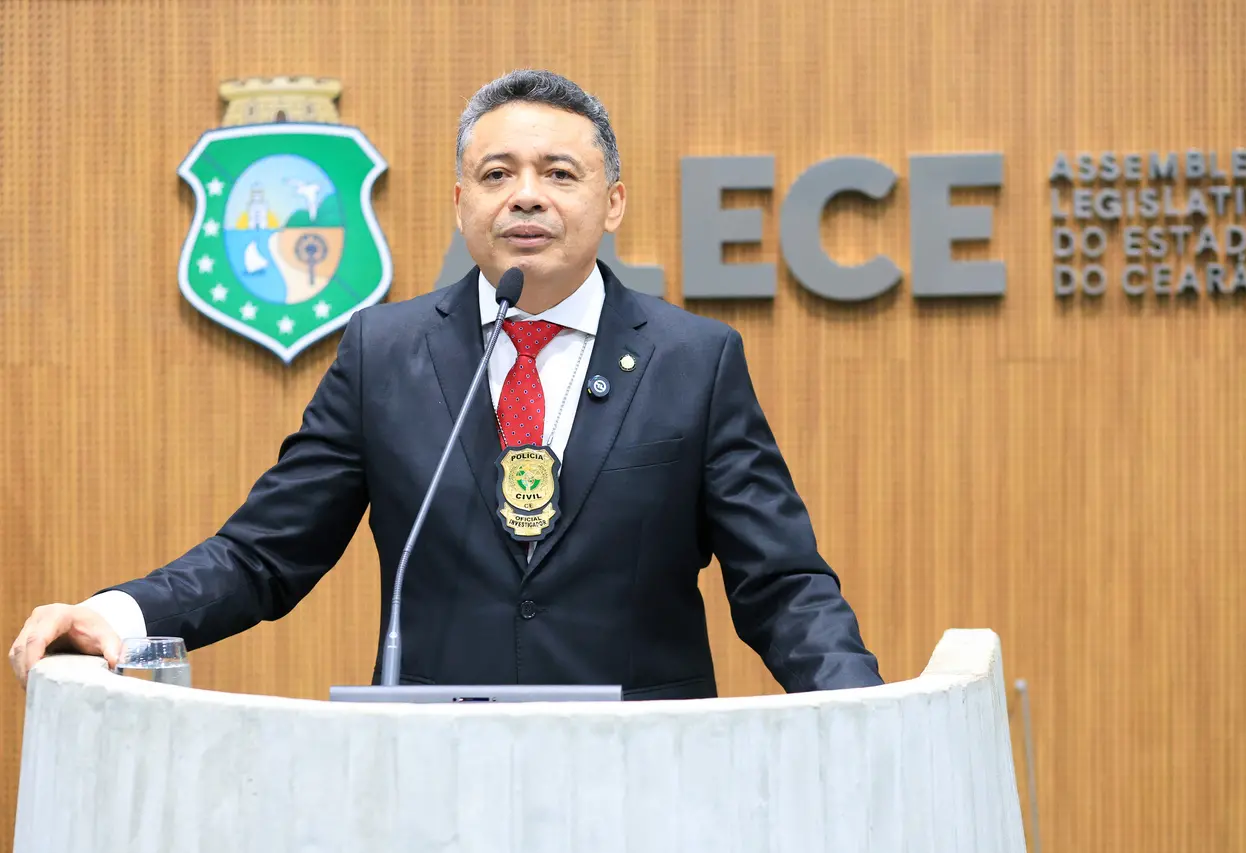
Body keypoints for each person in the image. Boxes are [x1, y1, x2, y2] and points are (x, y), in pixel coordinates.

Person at [9, 70, 882, 698]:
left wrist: (863, 713)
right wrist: (118, 614)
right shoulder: (383, 352)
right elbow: (264, 552)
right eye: (498, 175)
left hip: (644, 778)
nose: (526, 197)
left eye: (559, 174)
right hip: (431, 777)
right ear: (461, 201)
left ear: (613, 203)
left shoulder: (695, 358)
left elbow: (781, 584)